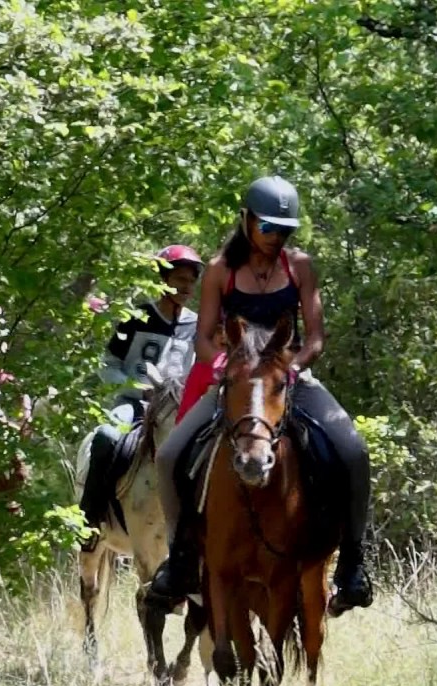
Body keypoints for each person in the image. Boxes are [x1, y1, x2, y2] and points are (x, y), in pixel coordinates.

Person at [147, 175, 374, 616]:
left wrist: (292, 368)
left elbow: (315, 338)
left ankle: (352, 563)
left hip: (286, 379)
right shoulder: (219, 270)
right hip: (233, 380)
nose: (275, 237)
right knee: (169, 455)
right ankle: (179, 560)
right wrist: (224, 368)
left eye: (283, 230)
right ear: (247, 220)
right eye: (267, 227)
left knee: (354, 449)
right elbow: (205, 336)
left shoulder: (300, 267)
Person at [78, 245, 204, 549]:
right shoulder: (136, 318)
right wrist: (136, 387)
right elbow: (107, 365)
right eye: (179, 279)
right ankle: (90, 521)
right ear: (161, 279)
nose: (186, 287)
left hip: (177, 411)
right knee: (106, 437)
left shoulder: (197, 325)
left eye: (191, 281)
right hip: (134, 404)